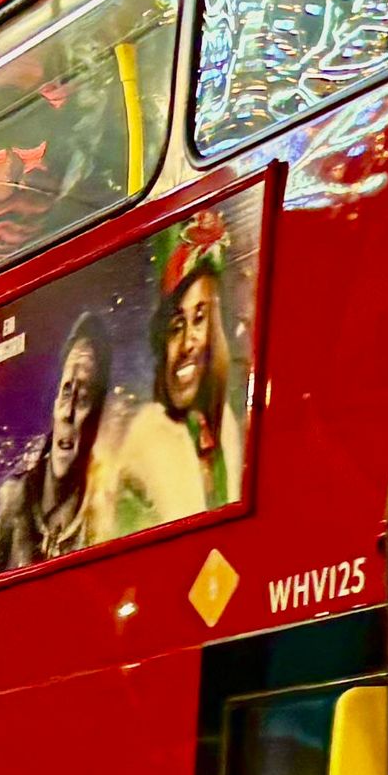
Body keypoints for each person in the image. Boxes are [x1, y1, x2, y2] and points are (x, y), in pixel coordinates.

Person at [91, 214, 245, 537]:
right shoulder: (148, 436)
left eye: (200, 319)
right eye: (177, 327)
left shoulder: (225, 427)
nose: (188, 342)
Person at [0, 320, 109, 579]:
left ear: (96, 416)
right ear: (54, 404)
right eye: (66, 393)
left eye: (84, 398)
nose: (68, 412)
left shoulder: (101, 518)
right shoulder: (10, 500)